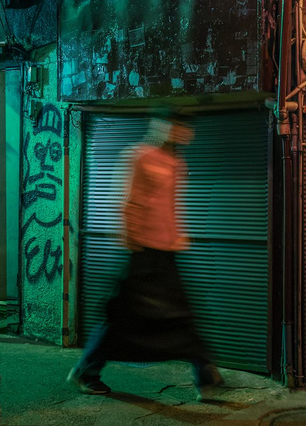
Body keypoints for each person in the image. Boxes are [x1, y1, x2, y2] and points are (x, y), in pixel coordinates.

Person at [68, 112, 223, 401]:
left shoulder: (177, 163)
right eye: (177, 126)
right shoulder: (140, 157)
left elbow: (172, 206)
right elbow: (128, 201)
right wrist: (133, 244)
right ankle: (86, 370)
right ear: (161, 126)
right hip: (142, 253)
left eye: (185, 128)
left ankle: (204, 372)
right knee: (123, 319)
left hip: (167, 252)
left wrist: (178, 239)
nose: (183, 133)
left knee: (181, 315)